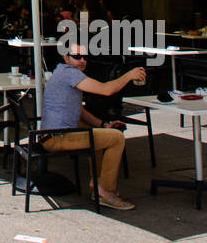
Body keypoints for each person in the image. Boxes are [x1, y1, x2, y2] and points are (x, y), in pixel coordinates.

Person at [40, 48, 147, 211]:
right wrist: (129, 75)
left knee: (100, 133)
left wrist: (103, 125)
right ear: (66, 57)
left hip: (50, 135)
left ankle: (98, 184)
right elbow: (106, 90)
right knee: (116, 138)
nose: (82, 60)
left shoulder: (61, 71)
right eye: (77, 56)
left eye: (85, 56)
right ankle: (106, 192)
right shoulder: (70, 73)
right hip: (58, 138)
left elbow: (79, 110)